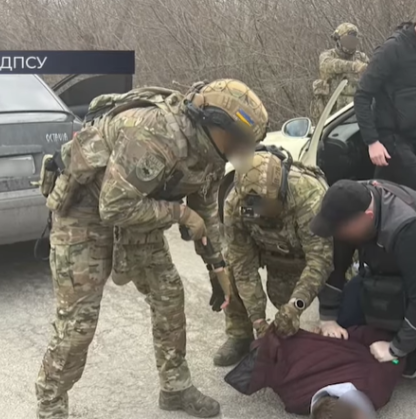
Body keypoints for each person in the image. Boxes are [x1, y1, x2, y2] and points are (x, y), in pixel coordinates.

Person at [35, 79, 269, 419]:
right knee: (78, 323)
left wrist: (216, 265)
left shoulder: (211, 152)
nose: (243, 150)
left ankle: (175, 387)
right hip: (86, 210)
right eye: (241, 140)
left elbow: (205, 210)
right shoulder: (155, 133)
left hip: (138, 205)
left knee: (168, 294)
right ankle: (51, 404)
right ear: (217, 125)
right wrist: (181, 214)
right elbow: (113, 207)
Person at [310, 178, 416, 393]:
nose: (336, 234)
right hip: (389, 274)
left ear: (367, 216)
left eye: (339, 230)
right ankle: (411, 328)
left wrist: (395, 349)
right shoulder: (350, 203)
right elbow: (336, 268)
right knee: (339, 331)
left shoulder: (406, 228)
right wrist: (328, 318)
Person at [214, 148, 333, 367]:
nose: (259, 212)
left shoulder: (308, 195)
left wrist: (296, 305)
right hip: (273, 255)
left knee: (335, 293)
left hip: (307, 259)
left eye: (265, 205)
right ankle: (240, 335)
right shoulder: (235, 204)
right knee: (228, 269)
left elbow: (320, 260)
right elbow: (243, 266)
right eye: (253, 206)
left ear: (281, 190)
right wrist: (258, 320)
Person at [354, 0, 416, 207]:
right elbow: (362, 95)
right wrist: (372, 142)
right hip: (391, 141)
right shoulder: (392, 50)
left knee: (392, 201)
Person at [223, 325, 404, 417]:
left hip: (342, 344)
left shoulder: (376, 391)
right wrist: (395, 350)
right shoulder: (294, 402)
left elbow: (395, 359)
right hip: (339, 345)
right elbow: (397, 359)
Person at [311, 23, 369, 122]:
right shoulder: (327, 55)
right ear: (338, 40)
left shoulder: (361, 57)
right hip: (331, 116)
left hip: (355, 113)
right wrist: (353, 66)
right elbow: (328, 65)